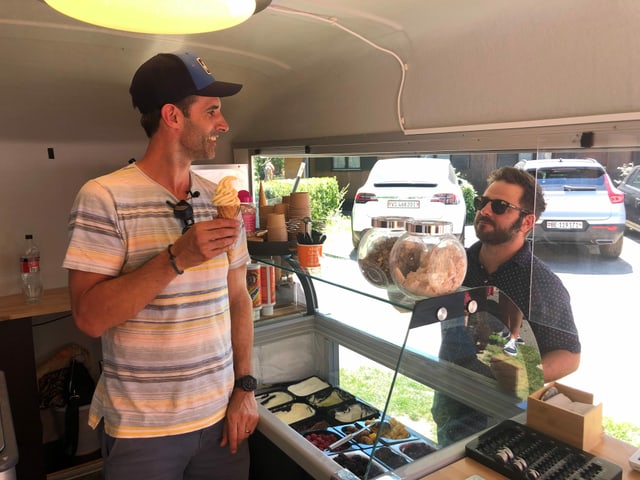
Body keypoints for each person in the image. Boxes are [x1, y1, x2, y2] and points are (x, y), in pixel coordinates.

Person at [63, 52, 258, 479]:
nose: (223, 125)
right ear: (172, 116)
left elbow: (239, 298)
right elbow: (90, 317)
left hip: (221, 420)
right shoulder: (103, 197)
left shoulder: (219, 200)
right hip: (142, 433)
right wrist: (177, 258)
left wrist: (244, 388)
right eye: (211, 112)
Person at [465, 165, 581, 381]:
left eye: (500, 206)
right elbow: (406, 303)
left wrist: (524, 374)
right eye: (483, 202)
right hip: (450, 396)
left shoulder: (541, 283)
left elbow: (570, 355)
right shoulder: (458, 264)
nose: (485, 211)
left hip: (504, 408)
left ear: (527, 221)